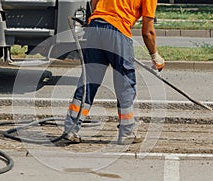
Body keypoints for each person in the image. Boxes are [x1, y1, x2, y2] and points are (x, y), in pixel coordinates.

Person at [62, 0, 165, 145]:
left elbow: (94, 2)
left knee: (88, 82)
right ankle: (127, 132)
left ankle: (70, 128)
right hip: (118, 29)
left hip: (95, 27)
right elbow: (148, 32)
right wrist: (155, 56)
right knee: (125, 85)